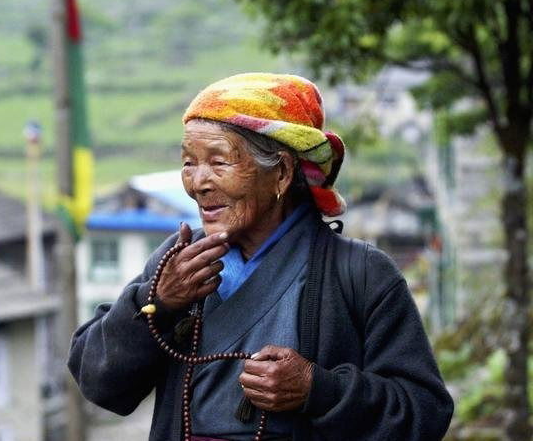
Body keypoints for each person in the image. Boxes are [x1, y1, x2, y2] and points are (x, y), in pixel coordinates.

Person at [68, 73, 453, 440]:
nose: (197, 183)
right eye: (189, 162)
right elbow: (97, 380)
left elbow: (424, 412)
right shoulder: (178, 263)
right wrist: (158, 303)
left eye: (218, 162)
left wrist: (318, 390)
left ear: (282, 173)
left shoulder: (361, 274)